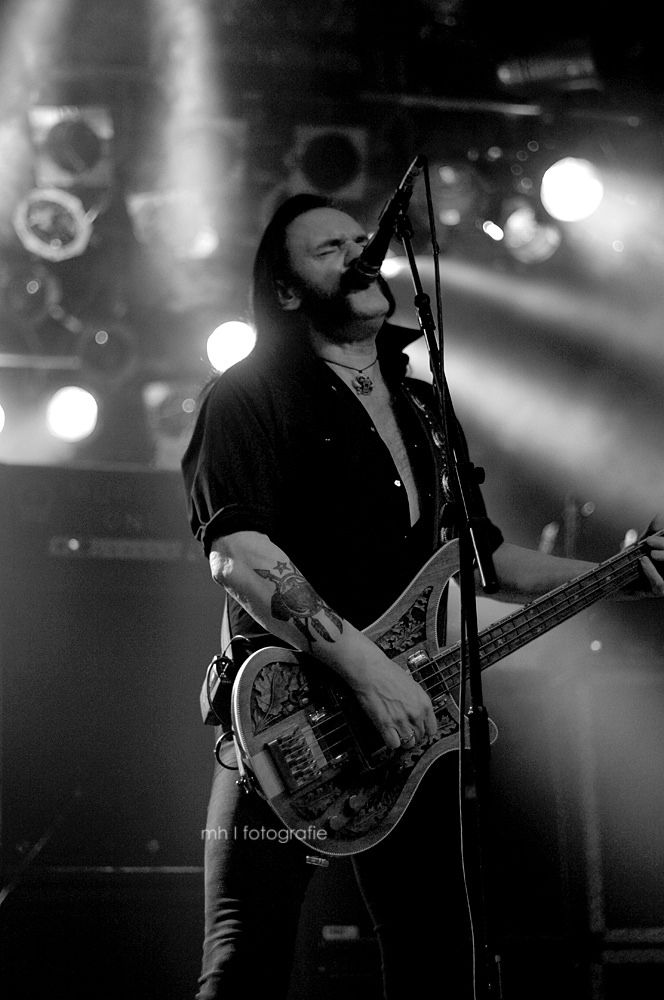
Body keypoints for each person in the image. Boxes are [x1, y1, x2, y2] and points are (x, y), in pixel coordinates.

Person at [181, 191, 664, 999]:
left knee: (440, 962)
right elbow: (239, 555)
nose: (360, 252)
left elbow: (486, 558)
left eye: (362, 239)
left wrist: (616, 578)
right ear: (289, 291)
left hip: (413, 735)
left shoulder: (424, 404)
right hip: (291, 721)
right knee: (242, 966)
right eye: (330, 248)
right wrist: (371, 674)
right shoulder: (248, 393)